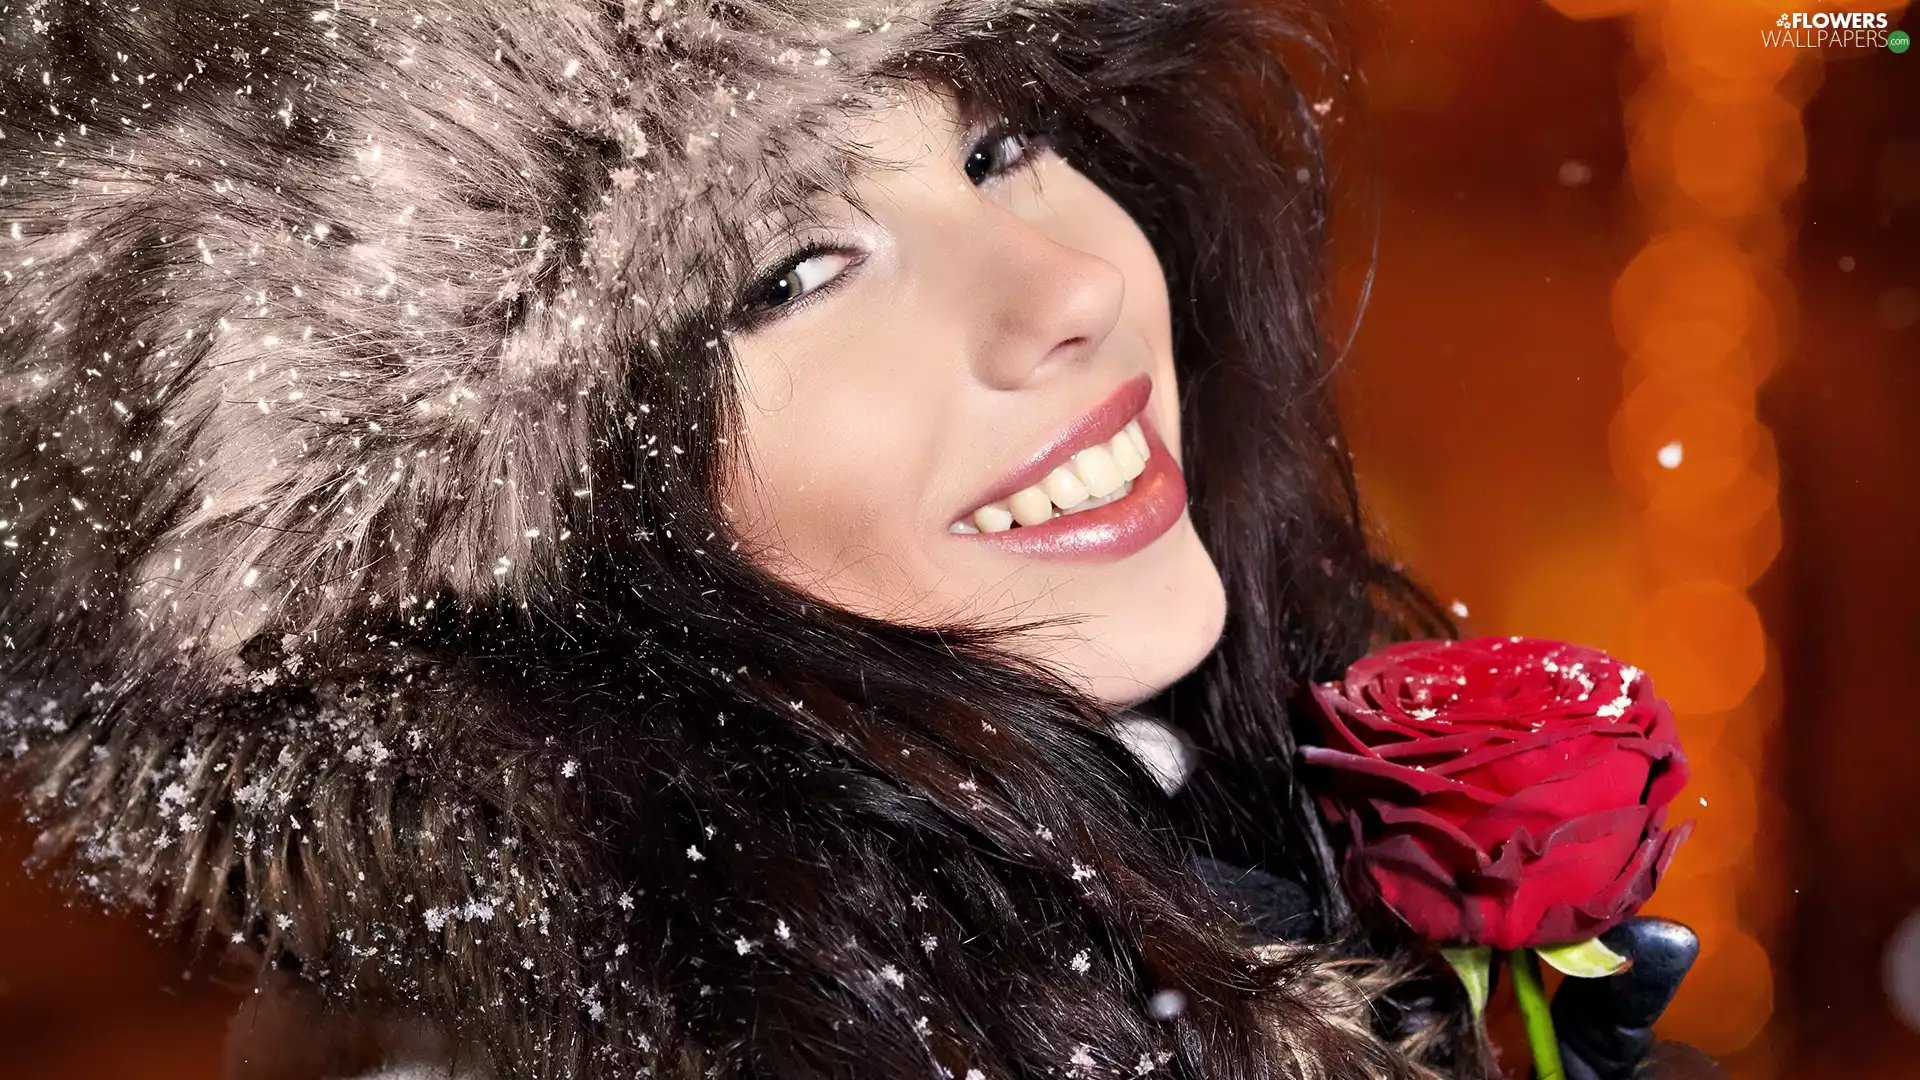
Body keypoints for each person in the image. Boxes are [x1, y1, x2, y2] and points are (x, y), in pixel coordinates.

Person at [0, 2, 1707, 1078]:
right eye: (797, 273)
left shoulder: (1175, 843)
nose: (1075, 289)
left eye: (998, 141)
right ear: (516, 573)